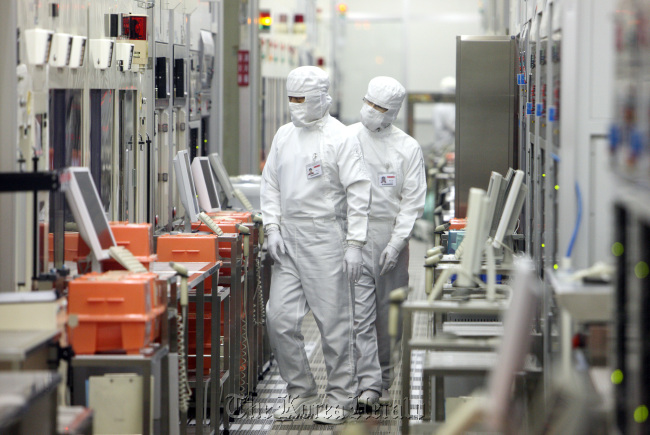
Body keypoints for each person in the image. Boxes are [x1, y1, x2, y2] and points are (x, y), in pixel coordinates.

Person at [260, 66, 371, 424]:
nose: (295, 106)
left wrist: (355, 243)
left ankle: (341, 396)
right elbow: (271, 184)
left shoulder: (341, 137)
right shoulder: (283, 136)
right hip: (288, 240)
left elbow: (358, 190)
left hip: (326, 238)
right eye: (290, 99)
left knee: (334, 324)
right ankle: (301, 392)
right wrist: (272, 227)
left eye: (301, 100)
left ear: (321, 98)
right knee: (278, 319)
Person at [345, 76, 426, 407]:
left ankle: (386, 373)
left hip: (390, 234)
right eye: (368, 102)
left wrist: (396, 243)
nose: (370, 111)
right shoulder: (347, 138)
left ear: (392, 112)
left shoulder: (407, 148)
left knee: (388, 312)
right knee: (360, 313)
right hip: (356, 234)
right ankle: (369, 384)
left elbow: (412, 201)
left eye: (379, 108)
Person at [431, 76, 456, 156]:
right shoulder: (448, 106)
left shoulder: (438, 106)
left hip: (440, 146)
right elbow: (455, 127)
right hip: (448, 148)